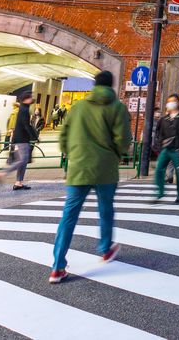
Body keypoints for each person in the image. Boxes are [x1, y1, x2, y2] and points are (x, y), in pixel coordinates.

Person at [49, 70, 131, 283]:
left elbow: (64, 136)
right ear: (112, 86)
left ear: (94, 85)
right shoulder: (118, 108)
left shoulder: (78, 107)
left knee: (69, 215)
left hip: (79, 168)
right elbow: (123, 139)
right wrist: (117, 153)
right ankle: (105, 248)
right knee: (105, 209)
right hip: (105, 168)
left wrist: (71, 154)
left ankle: (57, 266)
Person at [152, 94, 179, 204]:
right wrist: (158, 146)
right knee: (159, 169)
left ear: (178, 103)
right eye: (169, 101)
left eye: (173, 101)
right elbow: (159, 134)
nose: (170, 103)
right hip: (166, 149)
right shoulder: (164, 118)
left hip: (178, 149)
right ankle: (160, 192)